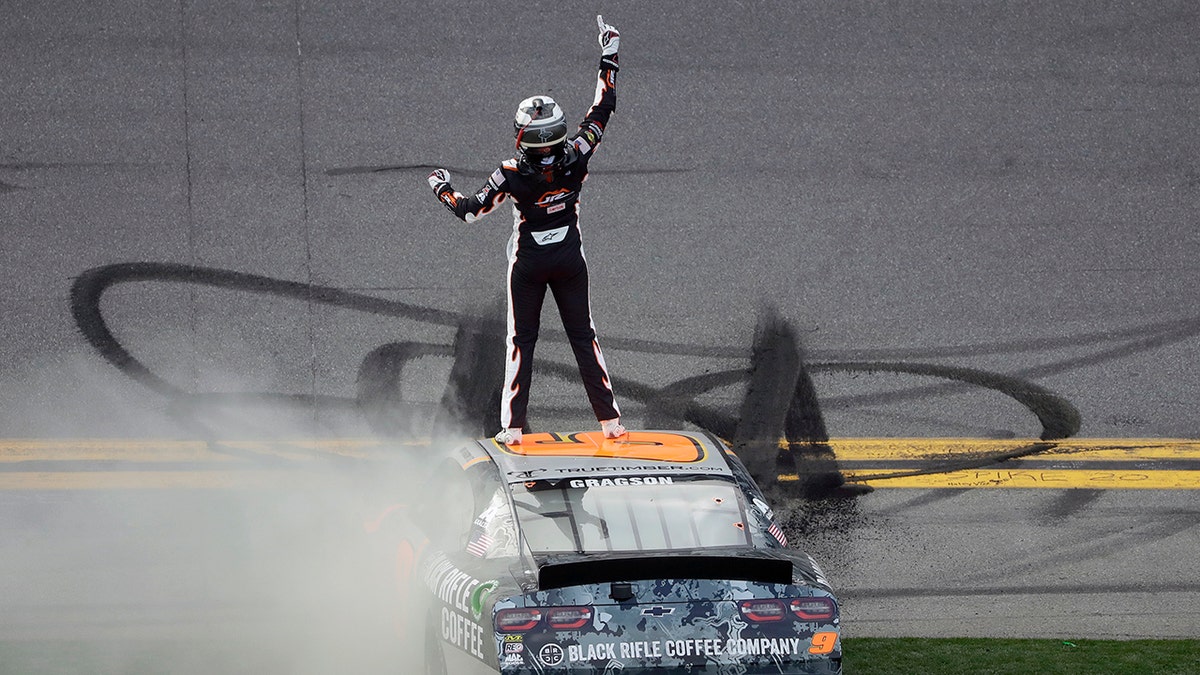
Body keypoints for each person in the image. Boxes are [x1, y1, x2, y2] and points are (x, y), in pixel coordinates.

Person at [426, 15, 626, 445]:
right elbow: (603, 108)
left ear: (523, 139)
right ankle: (611, 423)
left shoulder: (510, 173)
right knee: (583, 336)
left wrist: (441, 186)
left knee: (521, 342)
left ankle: (512, 430)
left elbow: (468, 212)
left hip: (529, 264)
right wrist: (608, 51)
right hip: (571, 259)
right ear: (557, 134)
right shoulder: (579, 153)